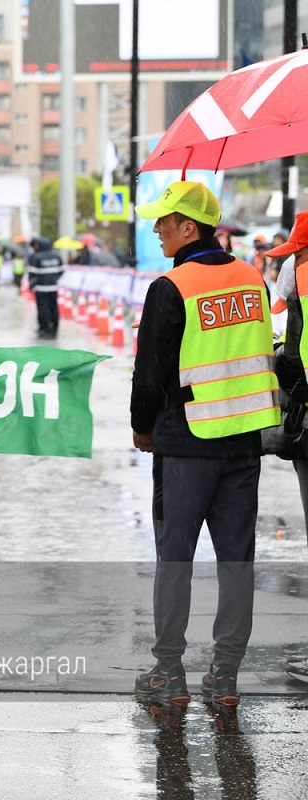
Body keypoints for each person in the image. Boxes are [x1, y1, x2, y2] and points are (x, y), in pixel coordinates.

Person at [131, 181, 280, 709]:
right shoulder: (252, 279)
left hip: (187, 440)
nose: (157, 229)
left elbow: (151, 372)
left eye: (164, 221)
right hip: (243, 441)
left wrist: (142, 426)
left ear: (188, 227)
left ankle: (169, 673)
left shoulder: (171, 287)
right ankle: (225, 676)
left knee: (175, 557)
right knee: (237, 560)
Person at [265, 212, 308, 683]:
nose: (293, 261)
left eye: (298, 252)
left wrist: (279, 357)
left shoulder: (303, 287)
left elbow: (296, 362)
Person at [27, 238, 64, 339]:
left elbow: (32, 274)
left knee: (43, 309)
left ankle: (45, 329)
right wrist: (53, 279)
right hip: (53, 288)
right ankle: (54, 329)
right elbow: (61, 271)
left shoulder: (36, 257)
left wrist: (32, 285)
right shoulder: (57, 256)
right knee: (54, 308)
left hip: (41, 288)